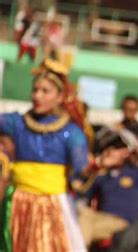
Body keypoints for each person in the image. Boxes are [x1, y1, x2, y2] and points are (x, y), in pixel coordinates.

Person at [0, 59, 90, 252]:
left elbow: (82, 171)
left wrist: (99, 164)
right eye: (35, 90)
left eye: (45, 91)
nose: (37, 96)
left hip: (52, 206)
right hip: (16, 202)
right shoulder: (17, 123)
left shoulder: (72, 133)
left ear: (60, 97)